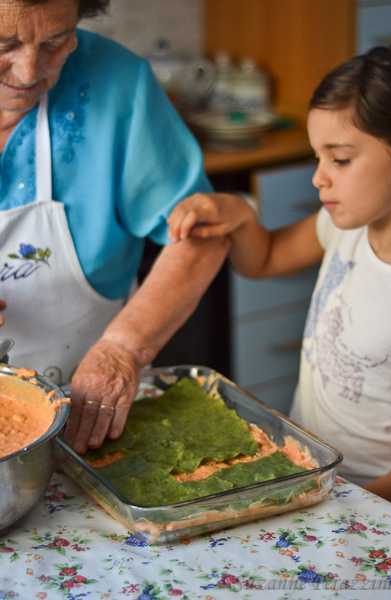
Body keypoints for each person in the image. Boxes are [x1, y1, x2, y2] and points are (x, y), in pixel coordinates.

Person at [168, 45, 391, 504]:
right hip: (310, 470)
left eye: (340, 158)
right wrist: (241, 216)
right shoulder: (341, 226)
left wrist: (357, 509)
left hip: (373, 505)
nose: (319, 177)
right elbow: (265, 259)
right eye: (317, 157)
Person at [0, 0, 229, 455]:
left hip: (91, 417)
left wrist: (123, 348)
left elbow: (202, 233)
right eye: (4, 44)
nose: (29, 72)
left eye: (56, 41)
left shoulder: (119, 84)